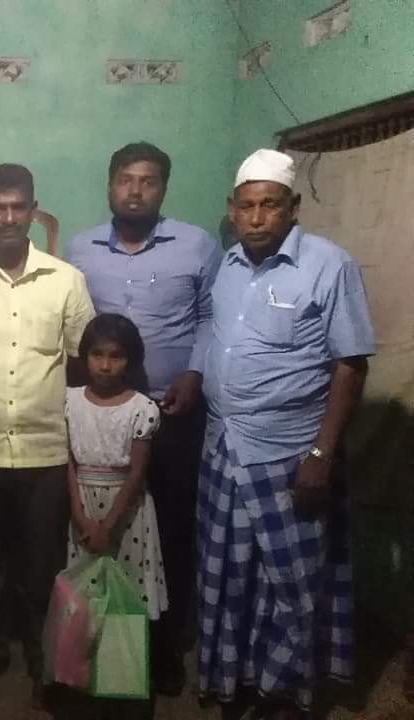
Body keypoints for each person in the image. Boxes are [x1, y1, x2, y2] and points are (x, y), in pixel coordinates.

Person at [197, 149, 374, 720]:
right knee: (231, 577)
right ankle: (236, 680)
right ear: (232, 209)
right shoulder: (227, 265)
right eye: (246, 206)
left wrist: (321, 454)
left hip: (289, 454)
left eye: (269, 205)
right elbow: (214, 335)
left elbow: (350, 366)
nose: (256, 218)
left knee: (291, 584)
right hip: (224, 447)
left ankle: (287, 693)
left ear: (292, 207)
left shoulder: (330, 266)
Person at [0, 163, 95, 716]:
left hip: (45, 452)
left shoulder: (66, 280)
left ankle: (43, 662)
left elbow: (83, 366)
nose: (7, 217)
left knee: (41, 568)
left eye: (17, 206)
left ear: (33, 210)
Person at [65, 141, 220, 692]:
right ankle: (95, 639)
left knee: (171, 528)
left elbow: (211, 317)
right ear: (110, 186)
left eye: (148, 180)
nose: (135, 190)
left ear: (163, 188)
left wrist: (194, 373)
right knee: (102, 523)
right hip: (102, 413)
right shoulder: (79, 250)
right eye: (125, 179)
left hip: (172, 410)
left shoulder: (197, 245)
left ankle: (164, 646)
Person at [65, 314, 166, 619]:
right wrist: (80, 517)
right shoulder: (69, 401)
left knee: (126, 592)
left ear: (130, 359)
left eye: (116, 356)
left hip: (126, 512)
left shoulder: (142, 408)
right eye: (97, 355)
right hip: (83, 507)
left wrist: (108, 525)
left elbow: (137, 472)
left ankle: (125, 649)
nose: (105, 366)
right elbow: (69, 464)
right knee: (85, 596)